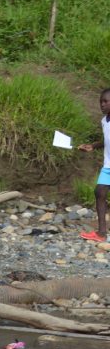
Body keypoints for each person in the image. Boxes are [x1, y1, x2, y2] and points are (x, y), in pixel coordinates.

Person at [78, 88, 110, 242]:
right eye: (100, 102)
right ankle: (101, 233)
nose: (102, 105)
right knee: (99, 192)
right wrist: (93, 146)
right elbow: (107, 140)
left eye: (106, 101)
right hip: (108, 165)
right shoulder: (104, 121)